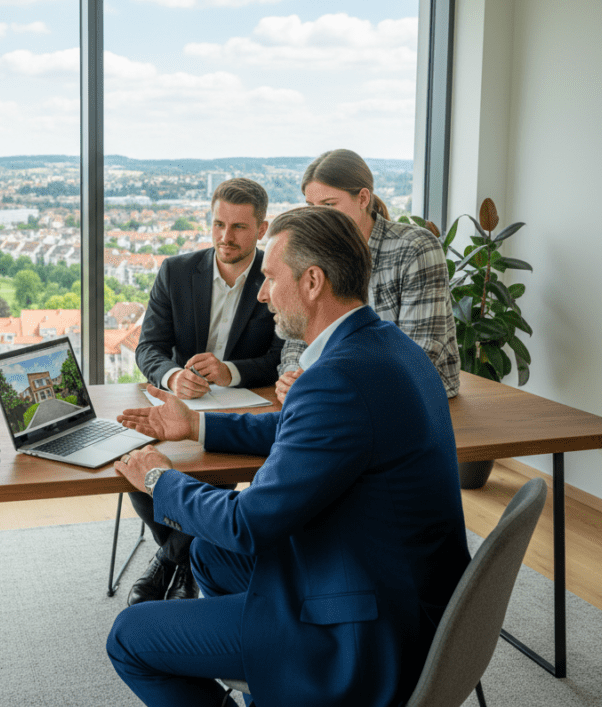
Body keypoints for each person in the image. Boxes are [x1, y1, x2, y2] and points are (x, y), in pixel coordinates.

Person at [107, 205, 470, 707]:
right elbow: (296, 429)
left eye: (271, 278)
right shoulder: (387, 347)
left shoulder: (336, 380)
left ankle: (283, 660)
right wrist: (194, 424)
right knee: (208, 554)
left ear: (313, 282)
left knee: (129, 637)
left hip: (360, 628)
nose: (260, 292)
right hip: (395, 583)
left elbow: (248, 524)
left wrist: (158, 481)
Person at [128, 177, 283, 607]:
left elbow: (279, 355)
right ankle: (185, 561)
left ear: (261, 229)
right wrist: (174, 376)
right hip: (180, 402)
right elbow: (149, 348)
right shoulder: (176, 271)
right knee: (135, 467)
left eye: (237, 228)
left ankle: (170, 560)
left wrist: (230, 370)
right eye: (218, 224)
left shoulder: (275, 276)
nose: (224, 237)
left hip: (246, 410)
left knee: (216, 470)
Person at [275, 148, 460, 405]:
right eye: (311, 207)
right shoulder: (319, 252)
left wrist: (327, 383)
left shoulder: (415, 247)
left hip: (418, 399)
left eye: (329, 205)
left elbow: (421, 353)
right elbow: (299, 335)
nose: (319, 217)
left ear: (363, 198)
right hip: (338, 393)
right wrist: (293, 376)